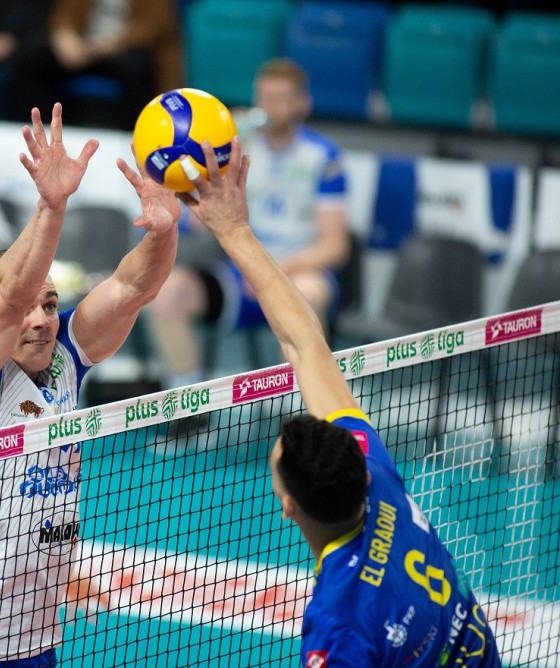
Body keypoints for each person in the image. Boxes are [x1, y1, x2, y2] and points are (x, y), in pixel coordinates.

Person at [185, 137, 500, 666]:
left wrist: (233, 230)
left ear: (288, 506)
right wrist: (234, 230)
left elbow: (302, 343)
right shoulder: (375, 476)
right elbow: (306, 343)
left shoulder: (338, 626)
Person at [0, 102, 180, 666]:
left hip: (38, 633)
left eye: (49, 304)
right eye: (27, 308)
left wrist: (164, 233)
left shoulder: (66, 354)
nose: (40, 319)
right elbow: (7, 298)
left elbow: (131, 289)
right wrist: (51, 205)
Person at [149, 57, 349, 390]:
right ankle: (187, 403)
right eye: (265, 97)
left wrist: (275, 270)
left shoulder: (323, 157)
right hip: (240, 276)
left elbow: (335, 247)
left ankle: (303, 402)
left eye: (281, 99)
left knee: (310, 292)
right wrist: (206, 160)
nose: (270, 107)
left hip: (297, 272)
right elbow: (200, 222)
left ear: (303, 104)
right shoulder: (236, 147)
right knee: (170, 293)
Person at [9, 0, 182, 130]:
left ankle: (134, 136)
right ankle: (36, 130)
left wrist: (112, 44)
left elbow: (155, 26)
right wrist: (65, 36)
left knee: (137, 67)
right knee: (31, 57)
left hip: (124, 49)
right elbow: (64, 14)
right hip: (83, 46)